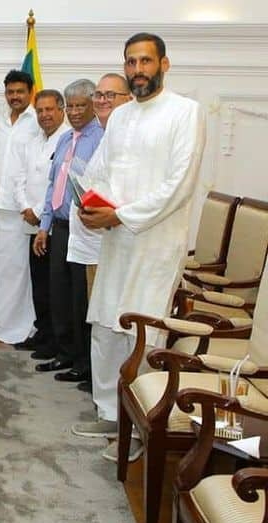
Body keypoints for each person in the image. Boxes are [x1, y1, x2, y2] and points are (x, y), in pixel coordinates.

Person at [71, 34, 206, 463]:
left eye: (145, 61)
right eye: (131, 62)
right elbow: (103, 172)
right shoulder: (122, 115)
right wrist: (92, 204)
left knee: (141, 331)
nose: (137, 69)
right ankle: (111, 414)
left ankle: (141, 426)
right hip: (116, 242)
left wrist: (120, 215)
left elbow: (178, 187)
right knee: (107, 327)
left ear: (164, 64)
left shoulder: (186, 112)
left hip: (154, 242)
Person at [32, 80, 104, 389]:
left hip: (87, 231)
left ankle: (85, 363)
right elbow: (52, 187)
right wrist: (43, 227)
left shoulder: (102, 139)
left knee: (81, 299)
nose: (74, 112)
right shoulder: (64, 141)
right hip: (60, 229)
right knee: (59, 294)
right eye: (71, 106)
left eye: (80, 106)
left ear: (93, 106)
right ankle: (64, 353)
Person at [69, 73, 132, 394]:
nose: (103, 101)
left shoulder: (128, 137)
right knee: (97, 318)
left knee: (111, 323)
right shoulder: (107, 136)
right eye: (100, 95)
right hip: (96, 238)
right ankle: (102, 389)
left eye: (111, 96)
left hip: (118, 239)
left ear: (129, 100)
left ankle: (112, 393)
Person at [9, 89, 70, 360]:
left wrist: (38, 212)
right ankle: (43, 333)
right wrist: (25, 207)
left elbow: (59, 185)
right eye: (40, 111)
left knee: (57, 288)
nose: (44, 115)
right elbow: (19, 177)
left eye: (49, 109)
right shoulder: (33, 141)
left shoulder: (68, 140)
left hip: (54, 226)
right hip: (32, 225)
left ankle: (58, 341)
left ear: (61, 110)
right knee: (39, 284)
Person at [0, 70, 41, 345]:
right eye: (10, 92)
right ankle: (0, 326)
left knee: (21, 272)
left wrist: (32, 206)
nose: (15, 96)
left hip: (24, 210)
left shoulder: (37, 121)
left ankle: (21, 329)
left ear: (30, 92)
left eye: (20, 91)